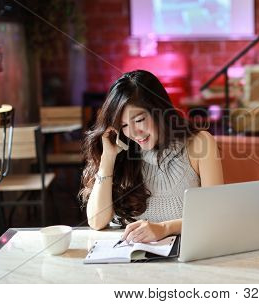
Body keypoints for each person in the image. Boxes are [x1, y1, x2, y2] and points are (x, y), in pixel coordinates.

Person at [79, 70, 224, 243]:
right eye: (124, 125)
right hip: (130, 261)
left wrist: (164, 228)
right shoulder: (121, 152)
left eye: (139, 120)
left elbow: (215, 215)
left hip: (185, 259)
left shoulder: (199, 143)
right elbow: (96, 222)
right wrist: (107, 160)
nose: (133, 133)